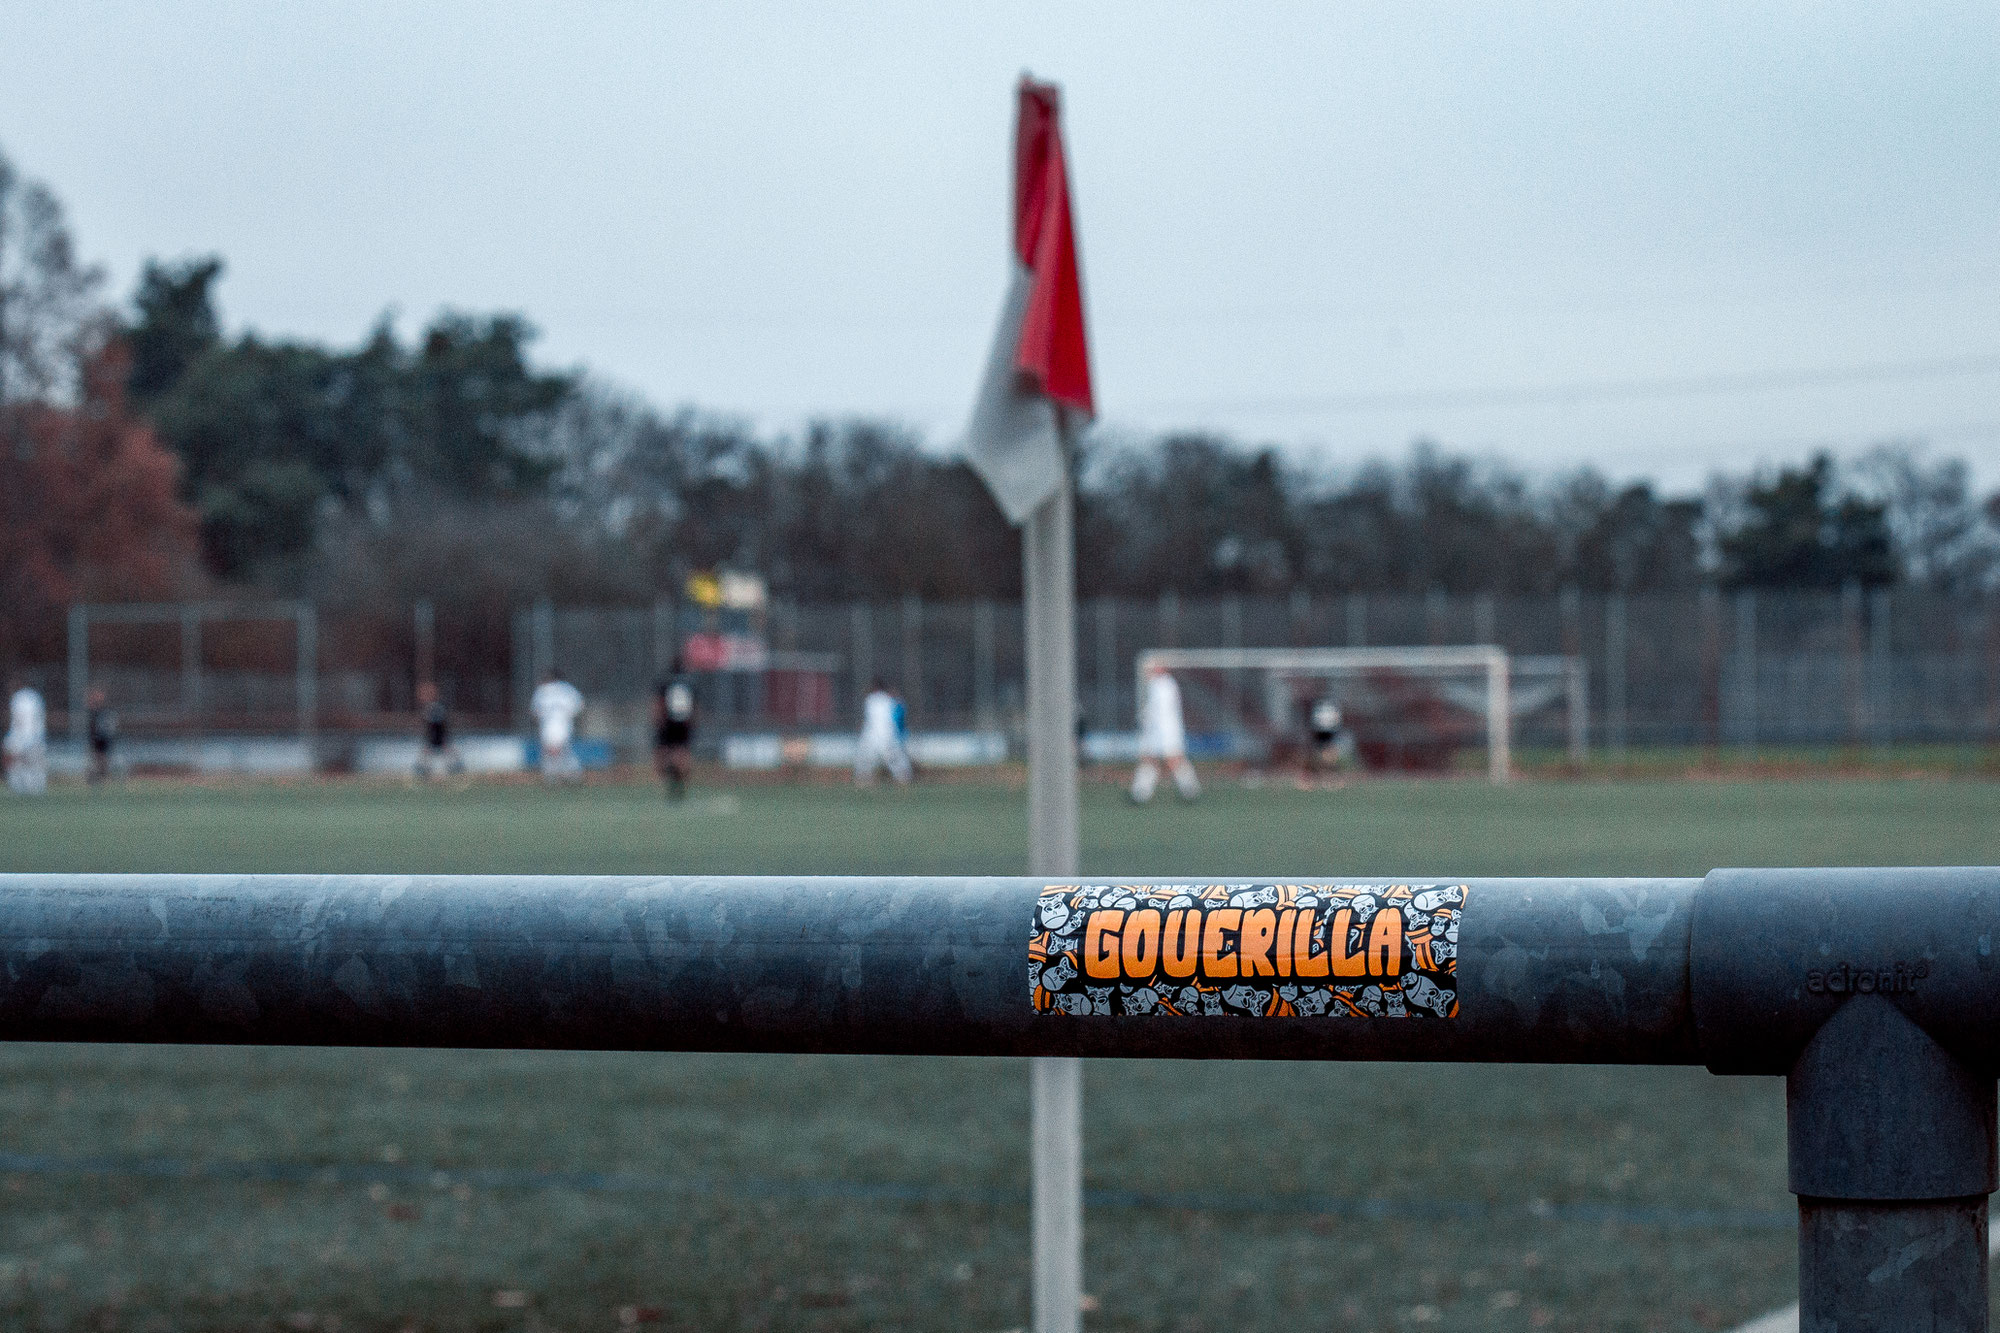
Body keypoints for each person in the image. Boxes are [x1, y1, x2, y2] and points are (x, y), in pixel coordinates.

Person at [1130, 662, 1199, 804]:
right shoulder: (1160, 684)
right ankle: (1141, 792)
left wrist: (1145, 719)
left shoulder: (1163, 685)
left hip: (1166, 730)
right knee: (1151, 758)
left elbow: (1159, 710)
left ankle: (1190, 789)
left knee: (1172, 759)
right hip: (1159, 730)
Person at [530, 668, 585, 784]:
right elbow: (579, 705)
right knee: (562, 750)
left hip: (549, 724)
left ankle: (555, 776)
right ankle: (570, 775)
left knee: (551, 751)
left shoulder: (542, 690)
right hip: (564, 724)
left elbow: (535, 711)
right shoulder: (567, 689)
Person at [854, 677, 912, 787]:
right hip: (887, 733)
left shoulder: (870, 699)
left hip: (872, 733)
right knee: (894, 758)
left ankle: (862, 778)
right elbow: (900, 711)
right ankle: (904, 777)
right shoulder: (890, 699)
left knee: (866, 757)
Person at [652, 660, 696, 801]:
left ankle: (667, 789)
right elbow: (695, 707)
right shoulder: (690, 684)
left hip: (667, 722)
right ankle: (682, 787)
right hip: (684, 723)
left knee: (662, 755)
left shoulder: (665, 683)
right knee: (682, 755)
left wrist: (658, 721)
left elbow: (658, 704)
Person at [4, 676, 48, 795]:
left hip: (21, 736)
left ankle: (17, 785)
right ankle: (37, 788)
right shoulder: (35, 697)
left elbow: (19, 719)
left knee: (16, 761)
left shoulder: (18, 698)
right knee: (34, 763)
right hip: (37, 736)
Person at [1300, 695, 1352, 788]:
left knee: (1327, 755)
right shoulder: (1321, 706)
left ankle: (1328, 777)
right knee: (1320, 755)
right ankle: (1314, 778)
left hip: (1329, 731)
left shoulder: (1329, 705)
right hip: (1321, 731)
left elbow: (1336, 720)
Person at [414, 681, 462, 781]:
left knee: (447, 754)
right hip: (434, 737)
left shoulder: (436, 707)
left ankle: (455, 769)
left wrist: (440, 738)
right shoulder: (429, 708)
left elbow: (440, 725)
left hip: (439, 736)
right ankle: (423, 772)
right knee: (427, 756)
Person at [86, 686, 118, 785]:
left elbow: (110, 725)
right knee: (97, 759)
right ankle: (98, 778)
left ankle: (102, 777)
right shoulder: (94, 712)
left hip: (104, 738)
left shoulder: (105, 711)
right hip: (97, 738)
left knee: (102, 759)